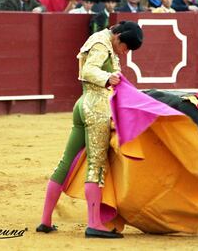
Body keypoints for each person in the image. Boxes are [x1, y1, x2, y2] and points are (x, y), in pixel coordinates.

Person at [36, 20, 143, 239]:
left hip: (83, 104)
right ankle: (94, 223)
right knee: (96, 165)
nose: (125, 52)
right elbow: (88, 69)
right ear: (118, 37)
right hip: (96, 109)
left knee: (66, 163)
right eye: (126, 47)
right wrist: (107, 77)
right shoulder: (103, 45)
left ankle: (45, 221)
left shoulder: (100, 40)